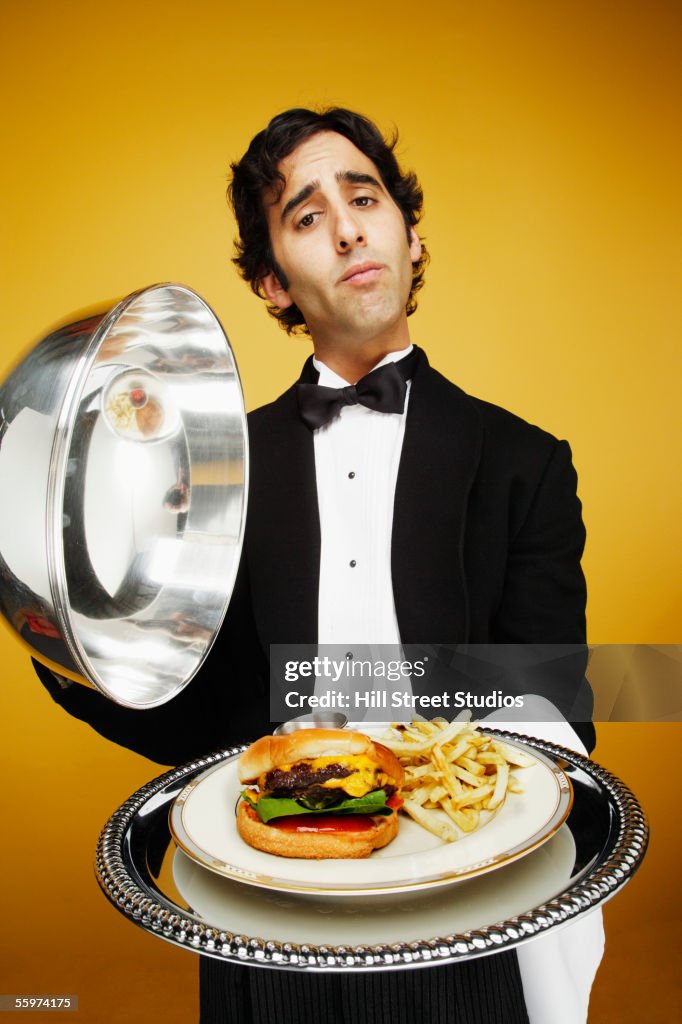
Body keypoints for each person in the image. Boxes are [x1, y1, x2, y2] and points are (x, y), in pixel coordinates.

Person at [36, 107, 603, 1023]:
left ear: (412, 237)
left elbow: (555, 703)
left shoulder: (524, 463)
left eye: (366, 198)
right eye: (305, 217)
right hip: (267, 905)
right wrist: (67, 613)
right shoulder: (215, 471)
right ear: (272, 284)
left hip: (454, 901)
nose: (347, 227)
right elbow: (196, 714)